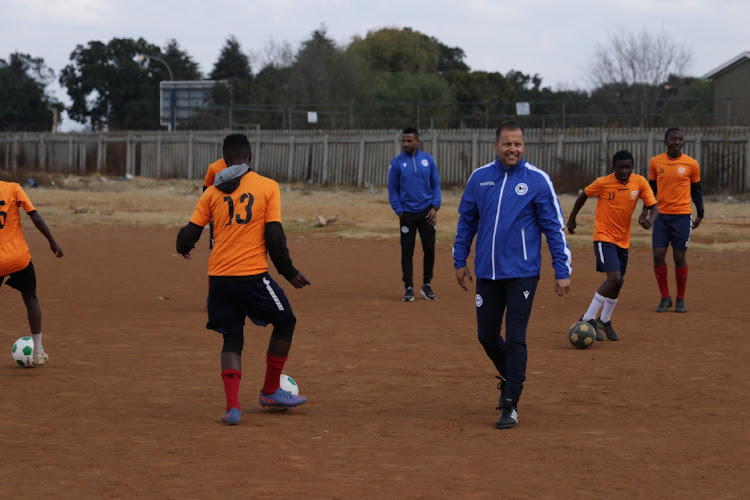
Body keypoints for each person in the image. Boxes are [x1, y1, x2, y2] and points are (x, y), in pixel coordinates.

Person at [176, 133, 311, 425]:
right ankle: (271, 390)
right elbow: (275, 237)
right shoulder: (267, 187)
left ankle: (233, 409)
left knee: (232, 339)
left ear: (223, 160)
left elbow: (187, 234)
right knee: (286, 321)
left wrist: (183, 248)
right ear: (250, 158)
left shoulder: (211, 192)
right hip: (251, 276)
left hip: (219, 279)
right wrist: (289, 272)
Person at [453, 121, 571, 430]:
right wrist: (459, 259)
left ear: (523, 145)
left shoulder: (537, 181)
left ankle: (510, 402)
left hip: (523, 273)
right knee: (486, 336)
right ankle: (513, 377)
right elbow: (466, 221)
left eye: (518, 144)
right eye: (507, 144)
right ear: (496, 146)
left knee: (516, 337)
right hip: (488, 273)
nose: (513, 149)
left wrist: (562, 270)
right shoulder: (480, 179)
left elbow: (553, 228)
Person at [567, 150, 658, 341]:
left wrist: (651, 219)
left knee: (618, 282)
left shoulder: (640, 182)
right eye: (620, 168)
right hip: (603, 237)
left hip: (623, 241)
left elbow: (653, 206)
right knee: (614, 278)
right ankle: (588, 318)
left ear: (632, 167)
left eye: (627, 167)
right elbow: (583, 195)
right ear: (613, 168)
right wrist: (572, 219)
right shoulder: (603, 182)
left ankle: (605, 320)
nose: (624, 171)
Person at [0, 180, 63, 366]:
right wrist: (52, 242)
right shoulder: (12, 188)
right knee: (31, 298)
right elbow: (35, 217)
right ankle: (37, 351)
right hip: (17, 257)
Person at [648, 128, 704, 313]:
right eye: (673, 139)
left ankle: (680, 299)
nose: (677, 142)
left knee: (679, 257)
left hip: (682, 216)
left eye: (680, 139)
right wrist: (646, 210)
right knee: (658, 255)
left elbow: (697, 190)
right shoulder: (656, 162)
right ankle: (665, 298)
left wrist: (700, 213)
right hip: (661, 217)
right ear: (666, 142)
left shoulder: (691, 164)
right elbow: (651, 189)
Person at [387, 127, 441, 301]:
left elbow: (436, 185)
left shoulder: (428, 160)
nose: (405, 144)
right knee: (407, 252)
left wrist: (434, 207)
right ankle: (408, 287)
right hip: (407, 215)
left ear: (417, 141)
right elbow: (392, 189)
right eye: (403, 141)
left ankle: (426, 284)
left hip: (427, 214)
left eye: (409, 141)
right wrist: (399, 211)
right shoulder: (396, 163)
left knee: (430, 250)